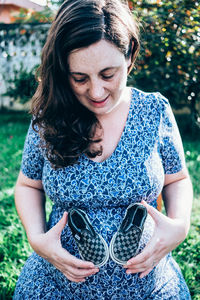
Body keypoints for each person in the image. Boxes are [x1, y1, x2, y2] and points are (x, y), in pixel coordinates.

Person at [13, 0, 193, 299]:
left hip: (150, 289)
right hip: (55, 287)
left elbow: (178, 179)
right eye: (79, 78)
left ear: (130, 57)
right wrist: (37, 239)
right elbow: (28, 185)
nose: (96, 92)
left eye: (108, 74)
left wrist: (179, 225)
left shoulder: (153, 110)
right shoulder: (50, 115)